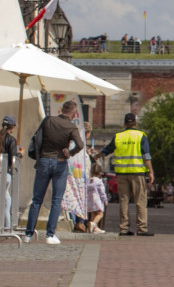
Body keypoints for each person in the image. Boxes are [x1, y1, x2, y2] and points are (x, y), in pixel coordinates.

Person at [23, 101, 85, 244]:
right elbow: (80, 145)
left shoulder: (49, 120)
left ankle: (28, 234)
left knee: (37, 199)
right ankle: (50, 235)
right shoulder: (71, 127)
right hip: (60, 162)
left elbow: (37, 137)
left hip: (44, 160)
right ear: (74, 113)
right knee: (56, 200)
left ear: (61, 110)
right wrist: (70, 153)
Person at [95, 112, 155, 237]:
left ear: (124, 123)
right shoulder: (141, 136)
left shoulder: (118, 136)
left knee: (124, 201)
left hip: (121, 173)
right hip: (137, 173)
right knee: (140, 201)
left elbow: (107, 150)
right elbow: (146, 156)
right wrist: (151, 171)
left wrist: (97, 155)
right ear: (135, 122)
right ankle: (142, 228)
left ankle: (123, 228)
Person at [1, 115, 21, 230]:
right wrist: (20, 155)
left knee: (7, 201)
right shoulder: (11, 140)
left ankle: (7, 228)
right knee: (4, 200)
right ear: (12, 127)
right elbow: (12, 158)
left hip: (3, 173)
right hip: (5, 173)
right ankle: (5, 228)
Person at [86, 162, 107, 233]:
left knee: (93, 214)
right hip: (97, 200)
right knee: (100, 214)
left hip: (90, 201)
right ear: (100, 173)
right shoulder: (99, 181)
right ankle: (93, 224)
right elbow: (102, 192)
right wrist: (105, 200)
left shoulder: (89, 181)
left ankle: (94, 229)